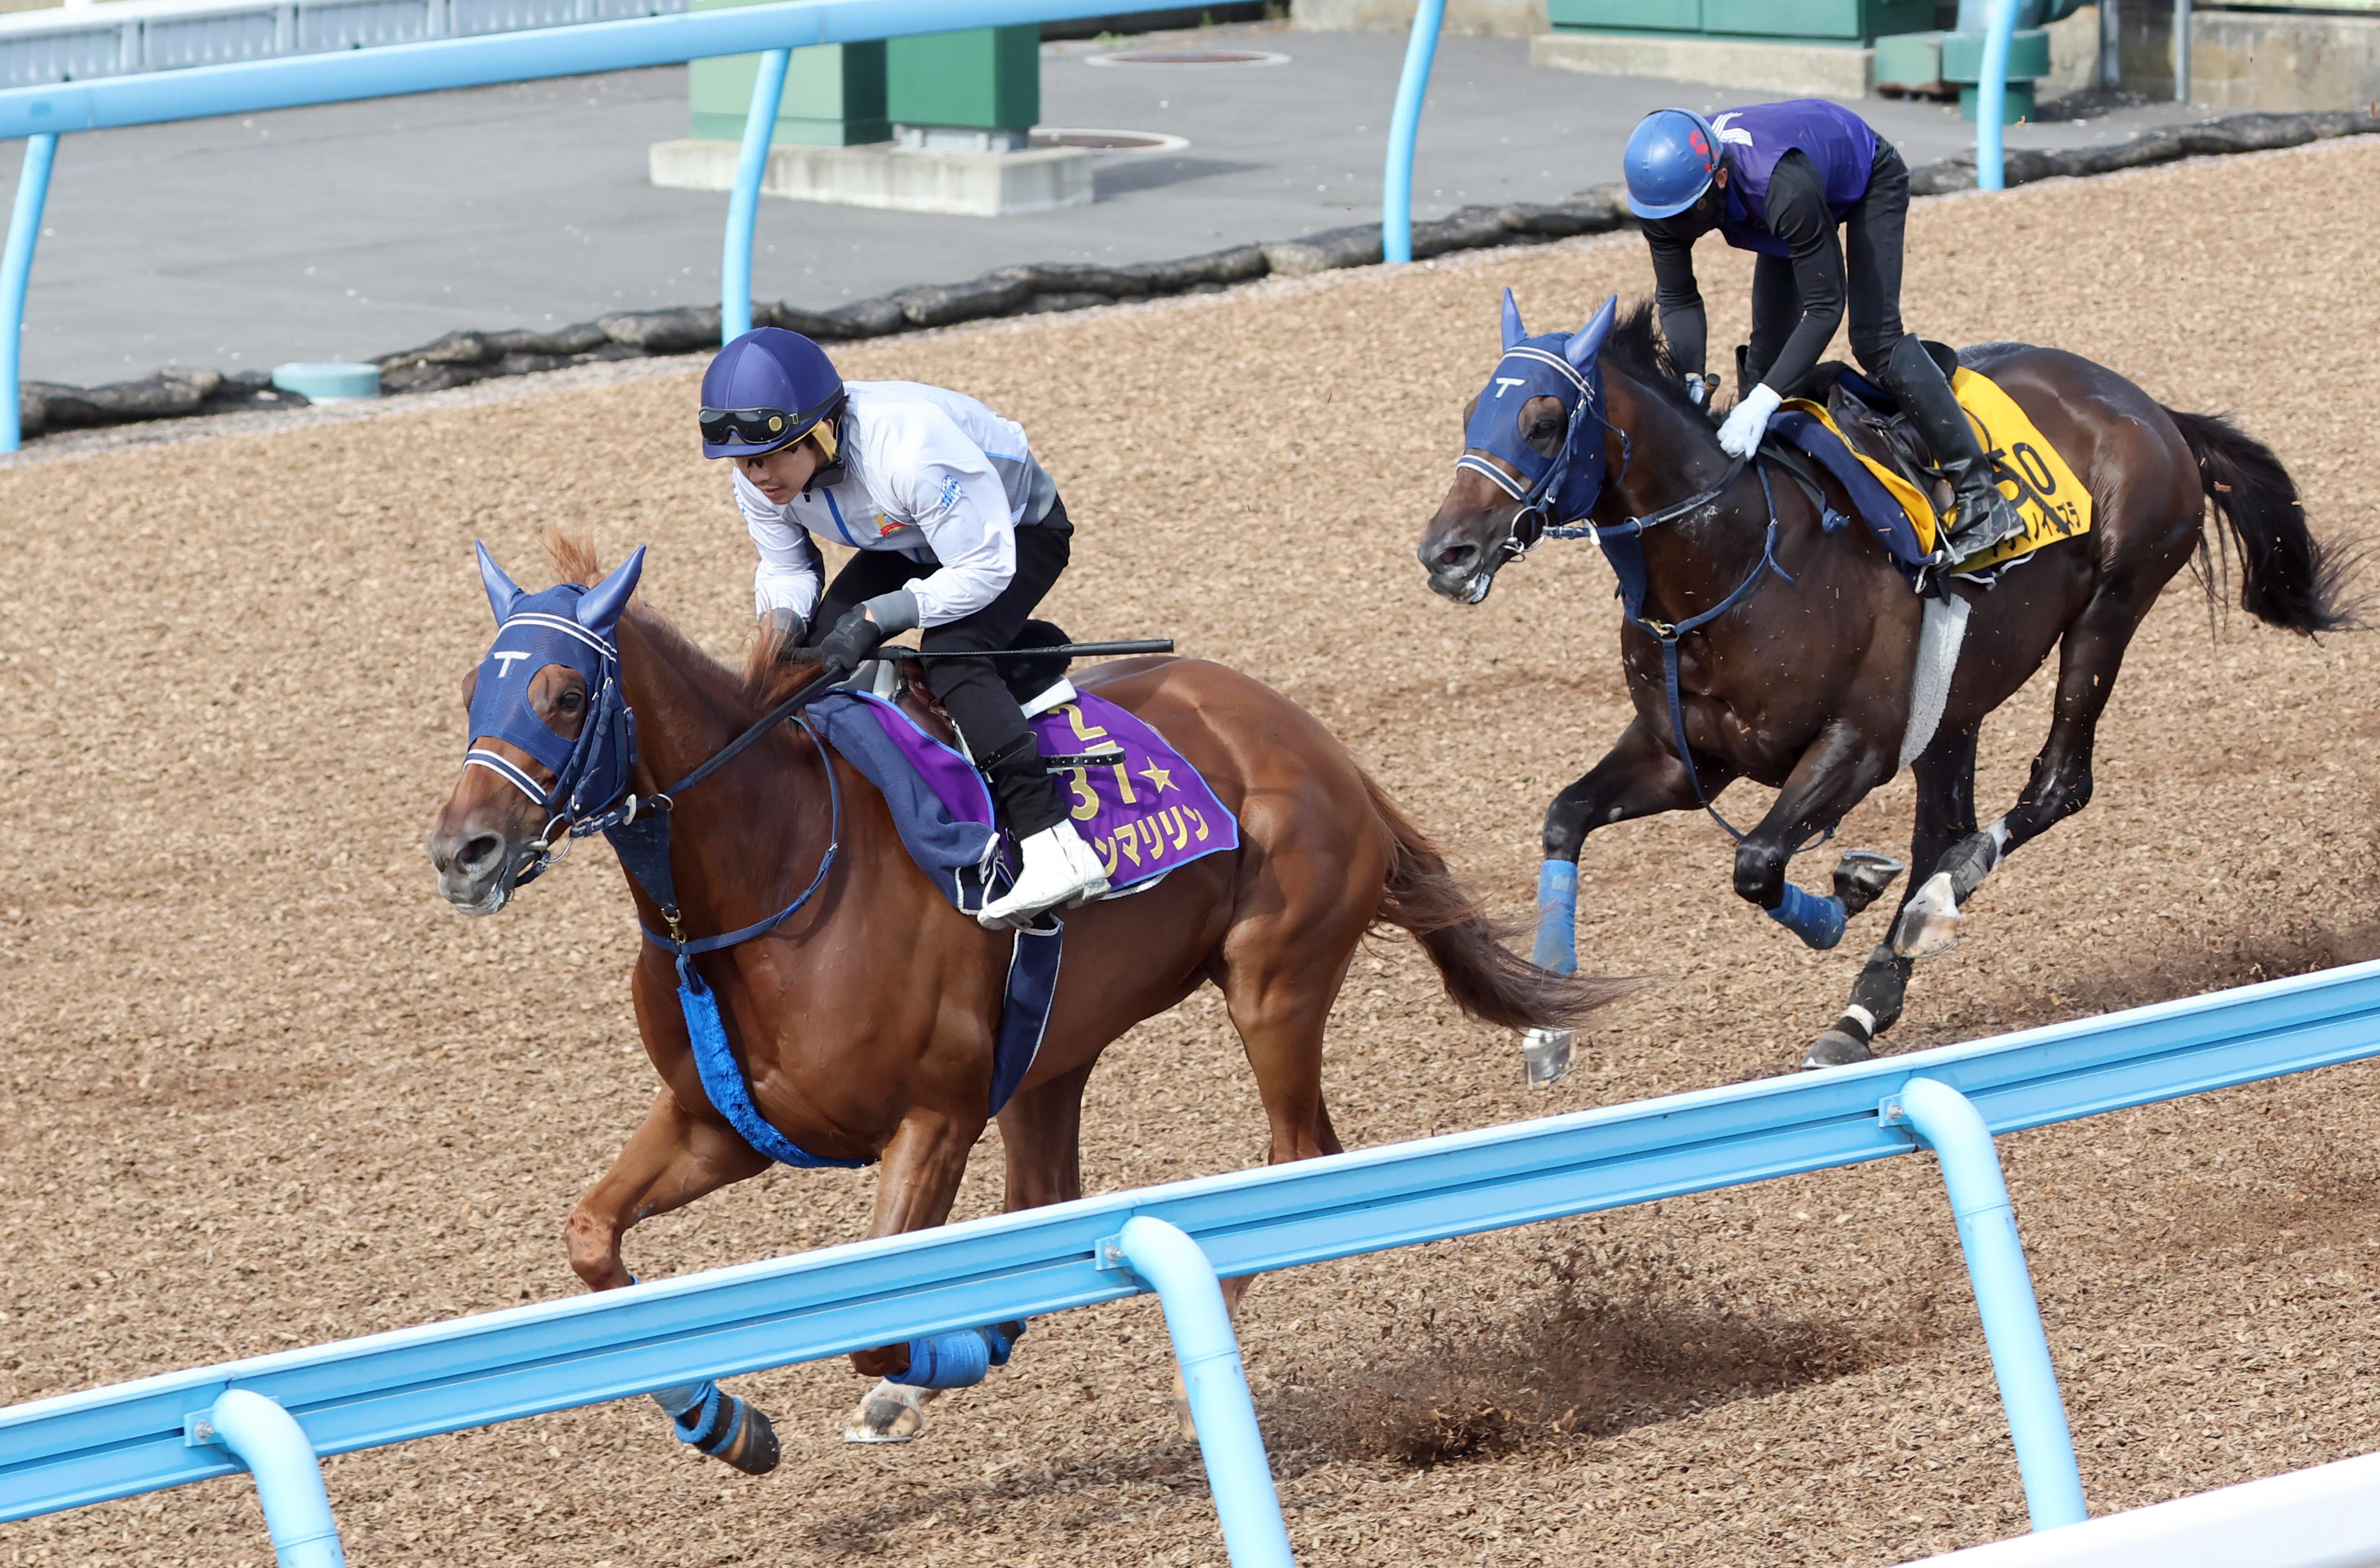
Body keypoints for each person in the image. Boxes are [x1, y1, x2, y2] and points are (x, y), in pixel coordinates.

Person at [698, 326, 1108, 927]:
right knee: (807, 659)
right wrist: (782, 629)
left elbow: (984, 566)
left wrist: (882, 615)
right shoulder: (758, 475)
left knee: (954, 656)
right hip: (910, 538)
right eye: (742, 462)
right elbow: (786, 566)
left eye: (769, 456)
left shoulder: (912, 450)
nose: (757, 476)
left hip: (1011, 536)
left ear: (823, 430)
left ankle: (1052, 839)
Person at [1622, 100, 2025, 557]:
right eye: (1663, 220)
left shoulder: (1783, 189)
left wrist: (1763, 401)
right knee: (1766, 360)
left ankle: (1981, 494)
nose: (1673, 229)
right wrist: (1688, 377)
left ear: (1719, 178)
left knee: (1877, 342)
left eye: (1686, 215)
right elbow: (1677, 295)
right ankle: (1777, 503)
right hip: (1781, 200)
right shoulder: (1662, 196)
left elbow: (1825, 308)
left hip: (1863, 177)